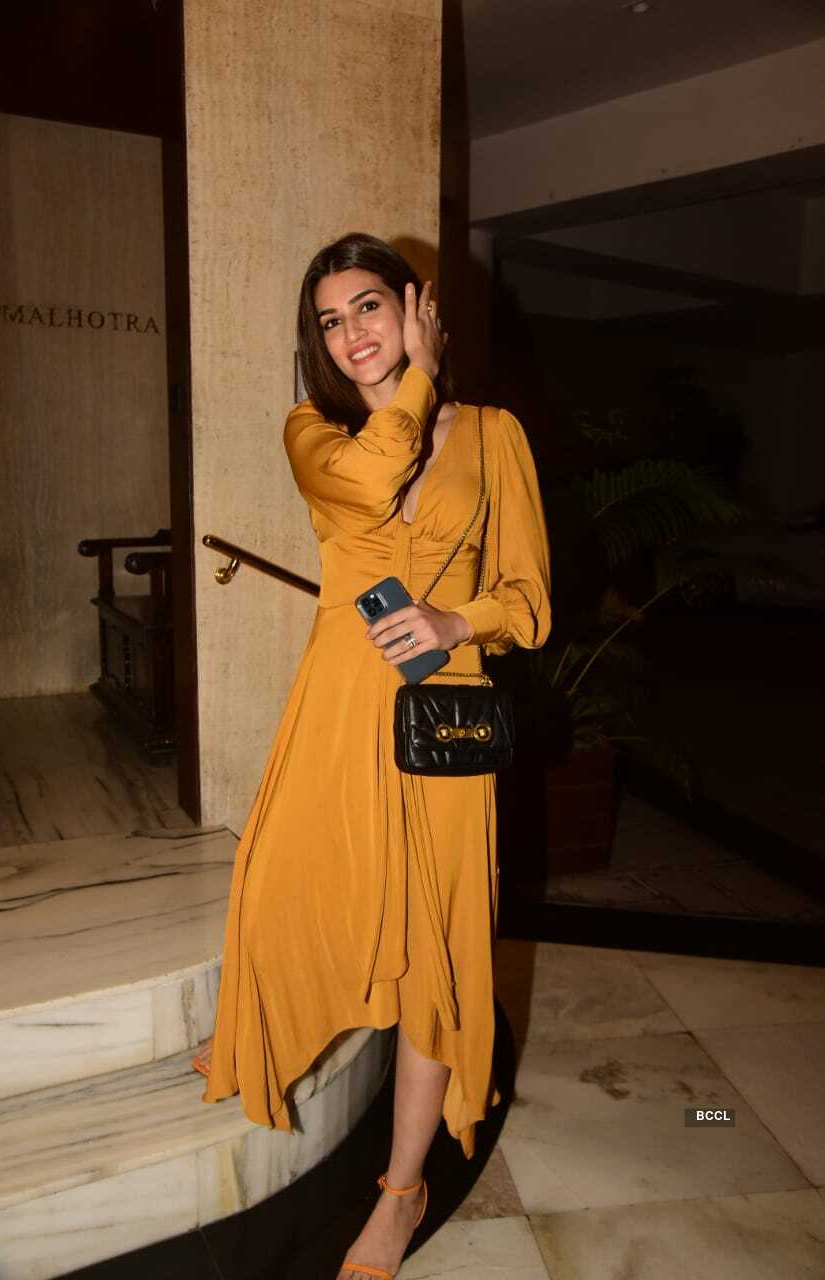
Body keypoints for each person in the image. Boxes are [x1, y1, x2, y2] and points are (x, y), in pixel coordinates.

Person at [193, 232, 551, 1280]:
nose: (350, 332)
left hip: (444, 713)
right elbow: (374, 475)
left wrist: (456, 620)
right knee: (284, 882)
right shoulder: (314, 431)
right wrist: (419, 376)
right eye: (330, 319)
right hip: (342, 705)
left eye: (368, 306)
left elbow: (529, 601)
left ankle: (400, 1192)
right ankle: (263, 1020)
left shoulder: (495, 436)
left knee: (438, 947)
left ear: (413, 304)